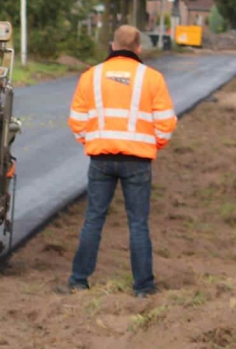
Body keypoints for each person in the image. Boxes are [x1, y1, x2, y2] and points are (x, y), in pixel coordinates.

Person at [64, 25, 177, 297]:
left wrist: (92, 142)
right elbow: (166, 125)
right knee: (138, 223)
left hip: (101, 158)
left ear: (112, 46)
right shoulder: (152, 78)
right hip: (138, 162)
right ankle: (143, 288)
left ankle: (78, 281)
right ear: (139, 49)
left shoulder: (91, 76)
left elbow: (77, 121)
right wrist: (152, 145)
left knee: (93, 218)